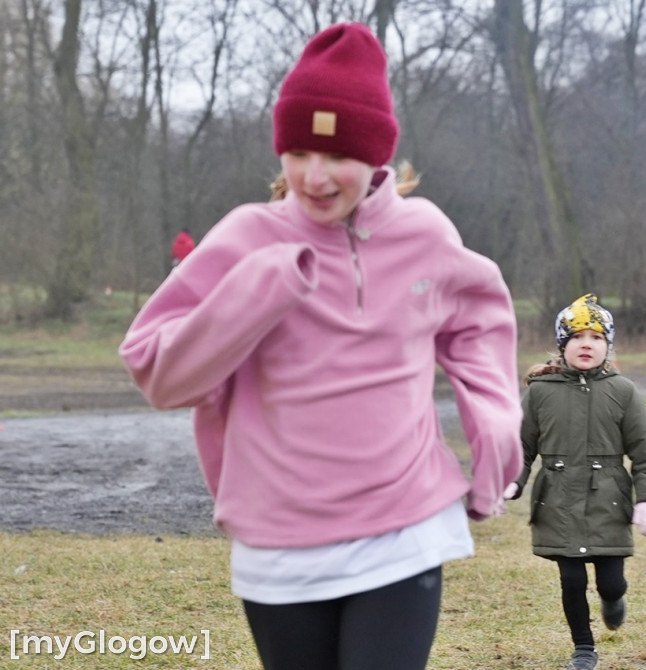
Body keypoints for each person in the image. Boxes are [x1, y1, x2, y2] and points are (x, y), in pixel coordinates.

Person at [119, 23, 523, 670]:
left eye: (338, 156)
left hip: (403, 528)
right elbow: (160, 375)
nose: (315, 175)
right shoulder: (247, 237)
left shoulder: (425, 235)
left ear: (377, 156)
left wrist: (496, 440)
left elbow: (481, 324)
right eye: (299, 152)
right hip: (279, 541)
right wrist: (256, 290)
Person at [504, 294, 646, 670]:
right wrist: (513, 481)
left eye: (596, 338)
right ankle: (584, 648)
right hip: (557, 501)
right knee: (572, 579)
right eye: (576, 337)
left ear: (608, 346)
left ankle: (613, 600)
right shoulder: (540, 392)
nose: (586, 344)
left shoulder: (623, 391)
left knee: (610, 581)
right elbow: (521, 448)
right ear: (563, 346)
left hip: (609, 499)